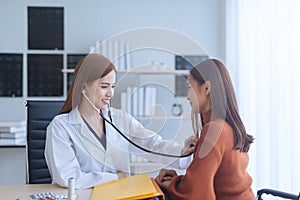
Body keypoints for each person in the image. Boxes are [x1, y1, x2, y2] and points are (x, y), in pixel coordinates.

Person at [44, 54, 196, 189]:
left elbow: (152, 144)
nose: (110, 93)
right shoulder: (61, 126)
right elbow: (69, 178)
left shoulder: (120, 119)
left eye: (113, 86)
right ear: (84, 87)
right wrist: (116, 177)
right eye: (104, 86)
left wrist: (181, 152)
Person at [155, 59, 255, 199]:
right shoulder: (226, 126)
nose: (188, 95)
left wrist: (171, 185)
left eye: (190, 87)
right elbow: (211, 181)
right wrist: (180, 181)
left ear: (206, 88)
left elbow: (200, 194)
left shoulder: (214, 130)